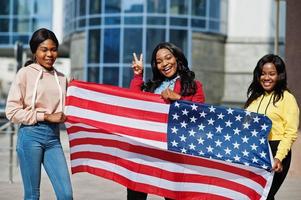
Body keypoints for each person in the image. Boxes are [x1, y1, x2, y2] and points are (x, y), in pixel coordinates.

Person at [128, 42, 205, 200]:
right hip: (145, 151)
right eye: (159, 61)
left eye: (168, 58)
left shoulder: (193, 85)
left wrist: (179, 99)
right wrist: (138, 75)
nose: (164, 64)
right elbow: (133, 104)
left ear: (177, 58)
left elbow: (200, 114)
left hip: (173, 152)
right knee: (135, 195)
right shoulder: (151, 86)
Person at [5, 28, 73, 200]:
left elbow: (71, 108)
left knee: (66, 195)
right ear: (35, 51)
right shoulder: (25, 74)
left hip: (53, 138)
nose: (50, 54)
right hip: (30, 136)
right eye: (44, 50)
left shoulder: (62, 78)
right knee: (32, 195)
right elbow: (11, 111)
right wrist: (45, 116)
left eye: (53, 49)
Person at [244, 54, 299, 200]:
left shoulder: (287, 98)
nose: (266, 77)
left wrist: (278, 157)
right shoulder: (254, 97)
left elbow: (291, 133)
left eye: (271, 74)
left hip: (276, 150)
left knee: (265, 195)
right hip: (255, 151)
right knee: (255, 195)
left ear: (279, 75)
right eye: (263, 73)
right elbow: (245, 126)